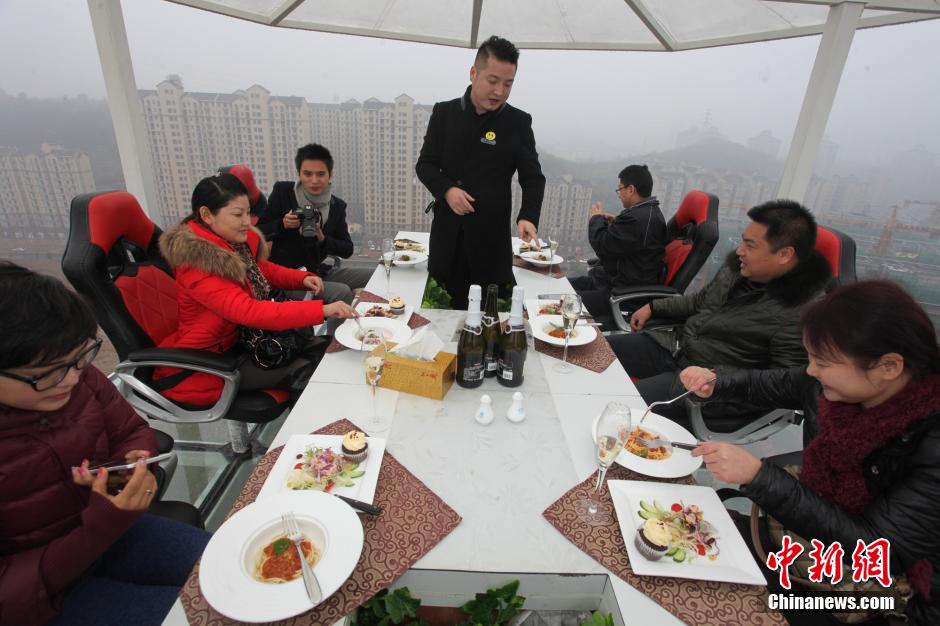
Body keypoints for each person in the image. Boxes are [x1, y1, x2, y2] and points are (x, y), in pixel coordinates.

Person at [680, 280, 940, 625]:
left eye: (823, 362)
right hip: (803, 539)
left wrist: (760, 477)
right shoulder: (832, 387)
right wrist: (717, 383)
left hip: (874, 595)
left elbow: (878, 551)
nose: (811, 370)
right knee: (685, 544)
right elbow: (772, 384)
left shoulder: (929, 443)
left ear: (888, 366)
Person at [0, 261, 210, 626]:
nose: (69, 379)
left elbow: (131, 431)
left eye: (79, 357)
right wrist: (99, 527)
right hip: (42, 596)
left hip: (112, 533)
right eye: (45, 374)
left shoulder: (76, 375)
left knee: (235, 569)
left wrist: (129, 466)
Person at [609, 199, 831, 424]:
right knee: (593, 355)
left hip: (703, 385)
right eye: (742, 241)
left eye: (750, 246)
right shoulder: (739, 269)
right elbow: (700, 301)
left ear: (784, 254)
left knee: (613, 405)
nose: (740, 251)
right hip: (674, 347)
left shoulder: (801, 313)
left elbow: (783, 385)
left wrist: (718, 382)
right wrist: (654, 306)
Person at [155, 173, 355, 406]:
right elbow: (249, 311)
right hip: (212, 360)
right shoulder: (196, 264)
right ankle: (308, 439)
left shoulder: (233, 242)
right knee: (316, 370)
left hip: (248, 339)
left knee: (329, 350)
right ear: (207, 215)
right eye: (238, 214)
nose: (247, 221)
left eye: (248, 212)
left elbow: (262, 270)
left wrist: (301, 278)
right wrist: (322, 310)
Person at [416, 35, 546, 308]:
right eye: (493, 80)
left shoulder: (518, 122)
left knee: (494, 332)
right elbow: (425, 164)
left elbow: (532, 177)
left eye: (508, 83)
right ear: (474, 73)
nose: (499, 91)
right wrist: (448, 190)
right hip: (447, 242)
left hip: (491, 245)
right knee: (439, 328)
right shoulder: (444, 113)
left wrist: (528, 216)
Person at [258, 143, 373, 304]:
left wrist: (322, 239)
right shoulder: (283, 193)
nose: (314, 181)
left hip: (318, 271)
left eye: (320, 174)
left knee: (376, 275)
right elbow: (257, 232)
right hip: (287, 277)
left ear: (330, 175)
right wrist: (282, 224)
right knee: (342, 292)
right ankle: (336, 330)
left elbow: (347, 249)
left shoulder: (336, 206)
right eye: (307, 174)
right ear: (299, 173)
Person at [570, 164, 666, 316]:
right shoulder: (648, 213)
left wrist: (596, 218)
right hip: (608, 280)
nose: (619, 193)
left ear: (631, 189)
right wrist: (616, 223)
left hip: (619, 293)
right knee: (559, 286)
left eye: (620, 189)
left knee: (562, 302)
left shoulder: (638, 219)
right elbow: (632, 241)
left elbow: (602, 246)